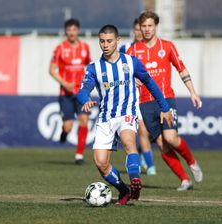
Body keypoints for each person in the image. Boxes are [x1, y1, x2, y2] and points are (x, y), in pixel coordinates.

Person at [77, 24, 174, 205]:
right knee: (100, 163)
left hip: (127, 113)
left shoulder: (131, 62)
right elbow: (82, 91)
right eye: (102, 41)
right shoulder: (94, 68)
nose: (105, 45)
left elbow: (150, 83)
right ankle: (124, 190)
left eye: (109, 41)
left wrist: (165, 106)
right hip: (106, 117)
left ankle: (135, 179)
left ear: (117, 41)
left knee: (129, 142)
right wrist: (85, 101)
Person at [127, 11, 203, 191]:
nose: (146, 29)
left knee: (171, 137)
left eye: (150, 26)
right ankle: (184, 180)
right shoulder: (133, 51)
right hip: (145, 103)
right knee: (162, 145)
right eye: (143, 26)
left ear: (156, 26)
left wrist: (192, 92)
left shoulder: (167, 47)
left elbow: (181, 69)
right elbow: (126, 75)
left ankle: (192, 162)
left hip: (166, 99)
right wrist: (132, 79)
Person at [49, 18, 91, 165]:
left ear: (78, 31)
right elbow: (51, 70)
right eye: (69, 30)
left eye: (74, 30)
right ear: (66, 31)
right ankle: (64, 132)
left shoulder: (85, 48)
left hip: (81, 92)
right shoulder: (60, 49)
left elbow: (89, 68)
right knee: (68, 125)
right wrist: (64, 83)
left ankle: (79, 155)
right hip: (65, 94)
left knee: (84, 120)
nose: (71, 33)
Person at [120, 18, 156, 175]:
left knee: (144, 132)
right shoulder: (125, 48)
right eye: (137, 29)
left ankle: (148, 164)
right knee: (134, 133)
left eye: (142, 29)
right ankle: (143, 162)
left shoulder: (150, 49)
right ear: (133, 31)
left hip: (146, 97)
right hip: (130, 99)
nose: (140, 32)